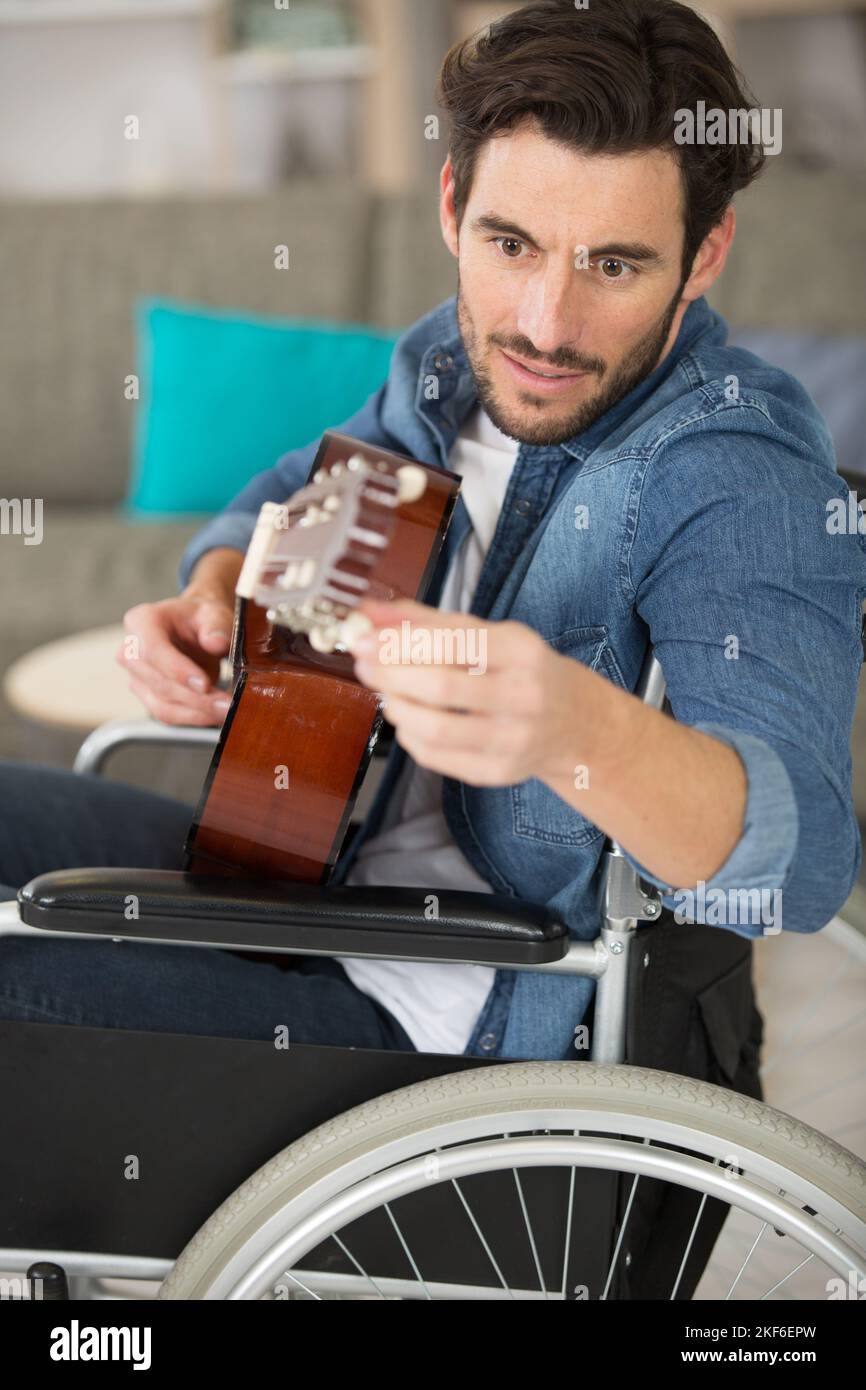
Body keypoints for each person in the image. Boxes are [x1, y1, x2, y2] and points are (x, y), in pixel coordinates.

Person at [2, 0, 864, 1070]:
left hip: (451, 1026)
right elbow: (302, 482)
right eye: (512, 244)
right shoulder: (448, 363)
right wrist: (216, 589)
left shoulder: (737, 474)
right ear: (452, 206)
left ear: (703, 253)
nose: (545, 325)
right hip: (304, 870)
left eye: (613, 265)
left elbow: (802, 861)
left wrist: (575, 732)